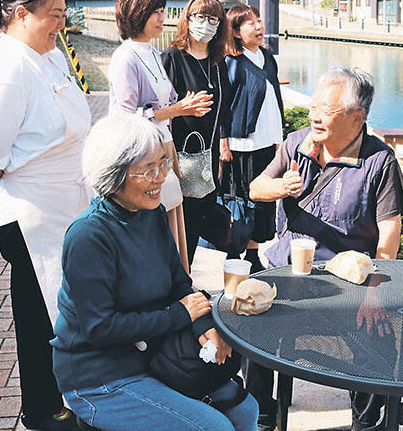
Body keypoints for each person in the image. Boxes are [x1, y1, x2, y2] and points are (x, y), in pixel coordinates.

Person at [51, 114, 259, 431]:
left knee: (246, 411)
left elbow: (179, 283)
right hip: (98, 376)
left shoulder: (152, 213)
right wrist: (180, 316)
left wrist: (202, 325)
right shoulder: (88, 237)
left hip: (155, 357)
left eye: (163, 164)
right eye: (149, 170)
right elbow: (99, 328)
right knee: (214, 428)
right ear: (113, 175)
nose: (161, 177)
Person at [249, 67, 403, 431]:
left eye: (326, 109)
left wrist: (374, 295)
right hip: (288, 271)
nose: (314, 115)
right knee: (251, 322)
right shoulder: (296, 143)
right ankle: (261, 415)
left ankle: (366, 423)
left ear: (358, 117)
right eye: (313, 106)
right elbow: (256, 188)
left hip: (348, 284)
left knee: (377, 336)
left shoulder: (379, 161)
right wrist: (280, 188)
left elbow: (389, 236)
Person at [0, 0, 90, 430]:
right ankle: (41, 409)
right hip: (32, 216)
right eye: (53, 15)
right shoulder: (7, 71)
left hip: (66, 205)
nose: (60, 24)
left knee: (62, 309)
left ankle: (66, 394)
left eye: (63, 14)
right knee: (38, 316)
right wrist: (14, 187)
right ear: (21, 14)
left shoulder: (48, 55)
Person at [107, 0, 212, 272]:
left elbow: (165, 100)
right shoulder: (124, 57)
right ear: (136, 12)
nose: (162, 18)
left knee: (169, 216)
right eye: (156, 11)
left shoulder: (153, 52)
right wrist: (177, 109)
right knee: (152, 222)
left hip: (163, 147)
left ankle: (174, 284)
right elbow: (126, 117)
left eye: (163, 11)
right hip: (139, 155)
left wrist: (182, 104)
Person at [162, 0, 232, 263]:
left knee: (199, 220)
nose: (207, 24)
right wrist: (183, 107)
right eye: (200, 17)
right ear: (187, 20)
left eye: (213, 19)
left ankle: (186, 278)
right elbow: (160, 109)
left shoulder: (218, 62)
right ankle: (176, 285)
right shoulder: (172, 58)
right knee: (178, 223)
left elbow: (224, 109)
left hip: (208, 157)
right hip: (179, 158)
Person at [222, 5, 285, 271]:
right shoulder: (230, 62)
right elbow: (224, 105)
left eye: (258, 21)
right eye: (250, 23)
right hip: (242, 144)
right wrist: (223, 141)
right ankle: (235, 253)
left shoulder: (268, 57)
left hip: (267, 141)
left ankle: (253, 253)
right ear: (235, 32)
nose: (258, 27)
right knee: (243, 199)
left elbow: (275, 99)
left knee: (264, 199)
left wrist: (281, 138)